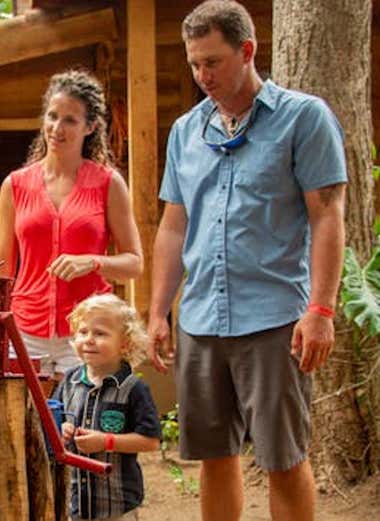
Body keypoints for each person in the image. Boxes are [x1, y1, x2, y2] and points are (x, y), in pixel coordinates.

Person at [146, 2, 347, 521]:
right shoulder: (186, 131)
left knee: (283, 457)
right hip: (201, 320)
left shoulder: (303, 118)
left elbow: (327, 216)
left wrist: (321, 310)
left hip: (277, 319)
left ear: (248, 51)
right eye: (194, 64)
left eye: (212, 62)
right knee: (214, 456)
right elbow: (173, 226)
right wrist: (158, 311)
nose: (201, 75)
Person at [0, 69, 143, 383]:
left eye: (70, 120)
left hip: (87, 332)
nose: (56, 128)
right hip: (24, 331)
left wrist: (93, 262)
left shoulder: (107, 183)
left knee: (80, 427)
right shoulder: (15, 185)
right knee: (23, 427)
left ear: (91, 127)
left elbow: (134, 263)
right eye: (52, 116)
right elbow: (1, 267)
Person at [54, 293, 160, 521]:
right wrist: (61, 429)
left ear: (125, 343)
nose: (89, 339)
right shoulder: (69, 380)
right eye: (83, 332)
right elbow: (54, 421)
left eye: (100, 333)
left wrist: (106, 441)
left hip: (117, 505)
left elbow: (150, 441)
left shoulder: (134, 389)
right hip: (75, 502)